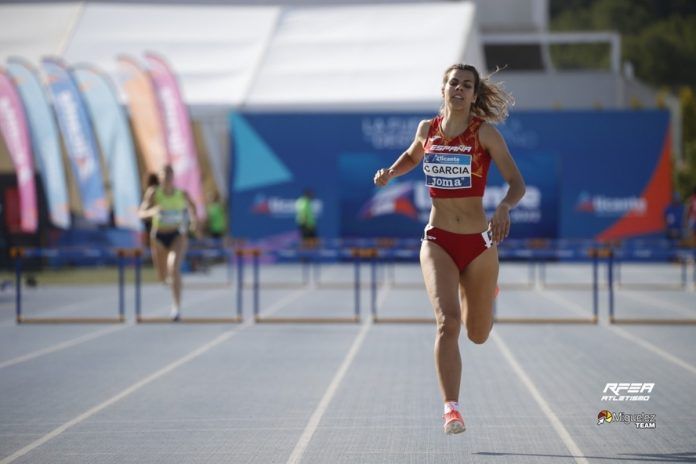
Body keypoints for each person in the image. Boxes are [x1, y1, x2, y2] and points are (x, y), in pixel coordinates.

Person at [373, 63, 525, 435]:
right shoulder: (428, 129)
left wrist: (504, 206)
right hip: (438, 239)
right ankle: (451, 409)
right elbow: (413, 155)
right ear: (443, 89)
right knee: (448, 323)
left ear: (474, 95)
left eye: (467, 85)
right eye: (453, 82)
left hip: (478, 244)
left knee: (478, 334)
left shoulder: (485, 134)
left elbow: (516, 183)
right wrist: (391, 172)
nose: (459, 88)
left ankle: (485, 293)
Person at [138, 165, 198, 321]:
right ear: (160, 179)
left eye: (169, 176)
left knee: (174, 268)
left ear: (173, 178)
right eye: (164, 177)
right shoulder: (153, 194)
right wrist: (153, 211)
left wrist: (193, 221)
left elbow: (193, 207)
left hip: (177, 234)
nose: (167, 180)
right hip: (158, 236)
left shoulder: (181, 194)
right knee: (163, 277)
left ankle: (176, 307)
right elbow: (141, 213)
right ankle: (167, 280)